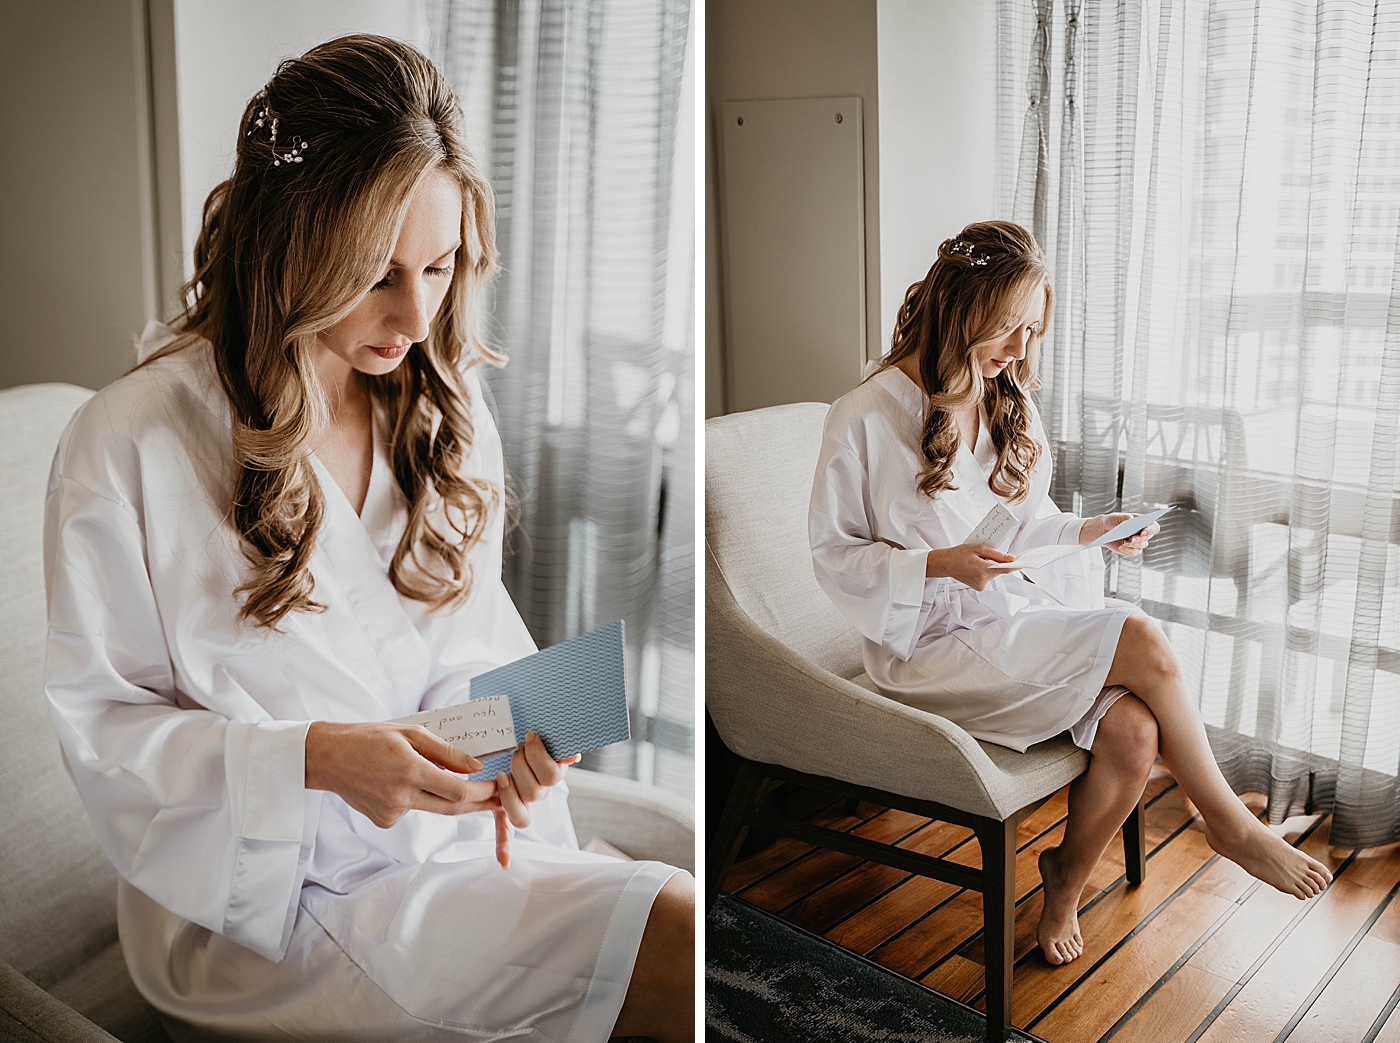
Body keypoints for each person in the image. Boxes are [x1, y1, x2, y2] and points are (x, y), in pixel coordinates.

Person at [44, 35, 692, 1042]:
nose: (413, 313)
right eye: (374, 273)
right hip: (272, 906)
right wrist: (311, 757)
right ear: (285, 242)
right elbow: (107, 730)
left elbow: (468, 645)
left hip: (451, 840)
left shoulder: (442, 405)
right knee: (670, 940)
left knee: (678, 923)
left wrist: (511, 738)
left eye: (438, 266)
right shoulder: (130, 441)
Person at [808, 220, 1331, 967]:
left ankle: (1062, 881)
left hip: (1008, 622)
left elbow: (1021, 529)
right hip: (926, 648)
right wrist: (939, 566)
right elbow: (834, 556)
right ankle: (1228, 823)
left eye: (1031, 329)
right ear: (962, 309)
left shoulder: (1004, 396)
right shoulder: (861, 415)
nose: (1021, 350)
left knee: (1134, 735)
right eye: (1009, 327)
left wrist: (1089, 531)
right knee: (1142, 637)